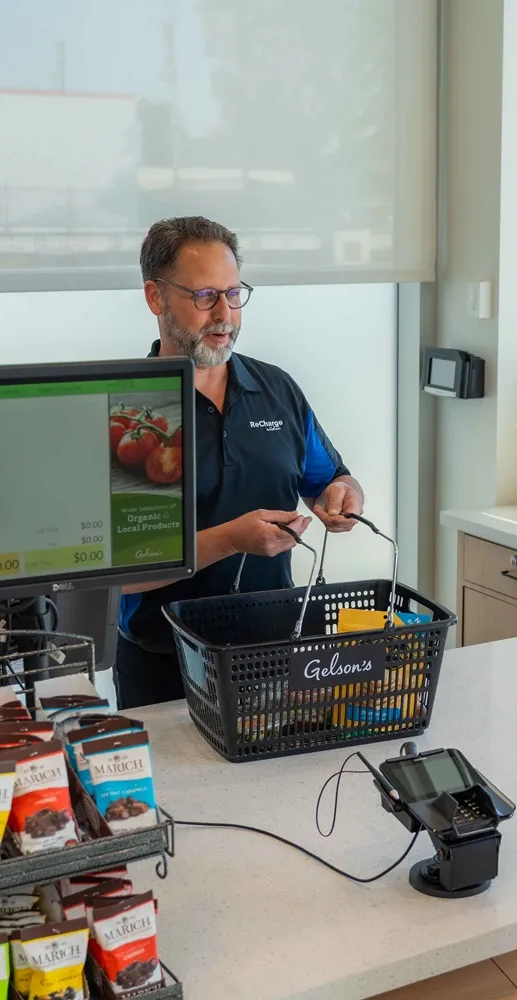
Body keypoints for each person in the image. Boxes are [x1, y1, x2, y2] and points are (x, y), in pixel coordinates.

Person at [114, 216, 365, 710]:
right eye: (205, 295)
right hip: (166, 664)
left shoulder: (276, 390)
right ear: (155, 298)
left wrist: (341, 497)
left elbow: (329, 479)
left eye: (233, 294)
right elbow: (121, 571)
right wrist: (231, 540)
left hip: (275, 651)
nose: (224, 314)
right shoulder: (130, 411)